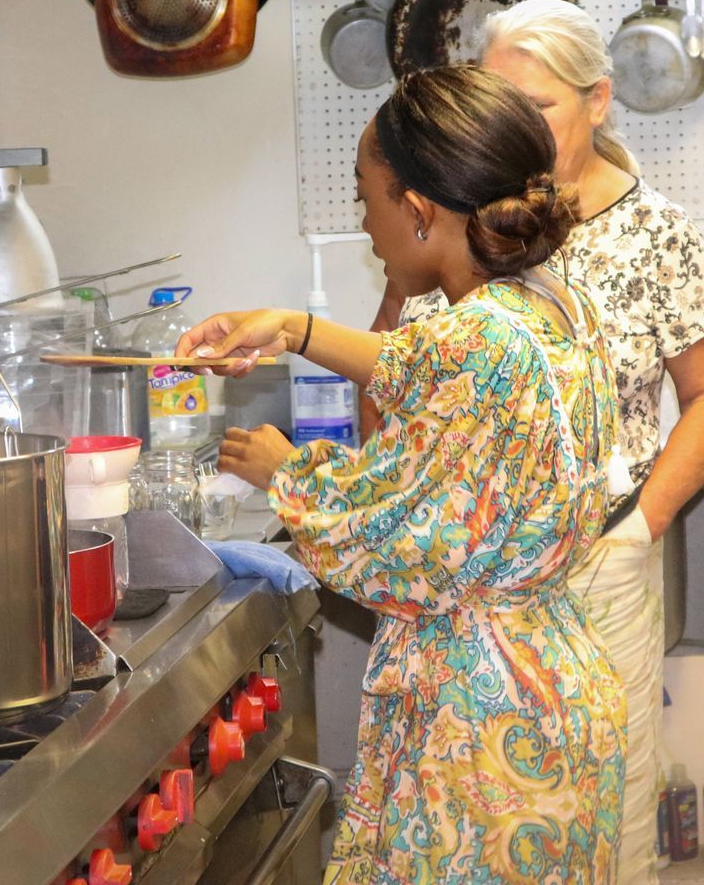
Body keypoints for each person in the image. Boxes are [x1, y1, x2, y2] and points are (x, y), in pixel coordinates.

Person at [179, 64, 625, 883]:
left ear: (418, 211)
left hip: (480, 724)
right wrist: (294, 328)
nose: (366, 222)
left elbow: (401, 553)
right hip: (553, 687)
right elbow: (420, 367)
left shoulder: (475, 342)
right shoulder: (548, 303)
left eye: (367, 199)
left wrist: (291, 474)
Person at [369, 0, 704, 884]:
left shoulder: (654, 236)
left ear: (599, 100)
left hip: (593, 568)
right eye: (499, 105)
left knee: (604, 834)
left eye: (539, 108)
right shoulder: (455, 220)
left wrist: (637, 530)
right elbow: (388, 369)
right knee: (473, 836)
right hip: (461, 585)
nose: (517, 128)